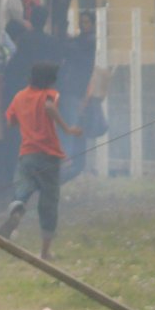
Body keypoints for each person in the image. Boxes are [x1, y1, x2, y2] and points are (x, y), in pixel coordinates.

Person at [0, 61, 83, 261]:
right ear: (50, 80)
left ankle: (16, 213)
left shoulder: (19, 97)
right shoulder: (48, 95)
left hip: (27, 154)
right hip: (49, 156)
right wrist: (67, 128)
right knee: (48, 202)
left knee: (22, 190)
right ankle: (45, 252)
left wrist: (23, 119)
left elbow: (10, 122)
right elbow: (49, 106)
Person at [58, 11, 97, 182]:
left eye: (86, 22)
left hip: (74, 90)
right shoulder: (82, 40)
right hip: (74, 90)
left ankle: (65, 159)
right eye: (82, 22)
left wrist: (63, 40)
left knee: (68, 125)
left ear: (93, 24)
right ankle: (65, 159)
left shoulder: (89, 41)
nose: (83, 25)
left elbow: (72, 50)